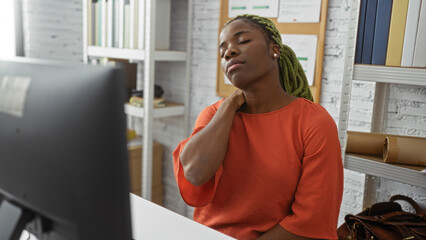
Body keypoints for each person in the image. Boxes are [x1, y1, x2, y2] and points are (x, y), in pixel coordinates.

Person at [173, 14, 343, 240]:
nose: (229, 52)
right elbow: (194, 173)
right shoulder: (214, 115)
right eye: (222, 50)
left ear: (274, 50)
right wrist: (231, 104)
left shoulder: (312, 122)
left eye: (242, 41)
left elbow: (312, 219)